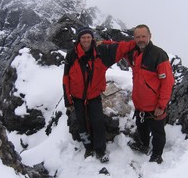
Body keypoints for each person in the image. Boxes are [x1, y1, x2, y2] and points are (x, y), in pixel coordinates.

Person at [62, 27, 135, 163]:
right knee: (82, 124)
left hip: (94, 96)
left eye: (88, 37)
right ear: (79, 39)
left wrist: (136, 41)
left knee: (98, 122)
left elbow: (120, 47)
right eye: (83, 37)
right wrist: (68, 100)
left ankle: (100, 150)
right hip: (78, 98)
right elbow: (66, 78)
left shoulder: (101, 52)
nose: (86, 40)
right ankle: (88, 147)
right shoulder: (72, 55)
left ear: (92, 38)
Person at [125, 24, 174, 164]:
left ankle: (157, 154)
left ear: (150, 36)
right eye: (138, 37)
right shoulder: (134, 53)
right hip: (140, 104)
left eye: (143, 36)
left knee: (157, 132)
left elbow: (167, 82)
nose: (141, 39)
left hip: (155, 106)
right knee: (142, 127)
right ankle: (144, 146)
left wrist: (162, 105)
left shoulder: (158, 55)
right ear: (134, 38)